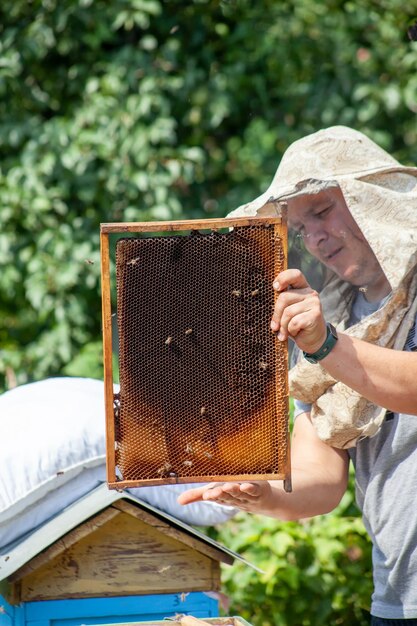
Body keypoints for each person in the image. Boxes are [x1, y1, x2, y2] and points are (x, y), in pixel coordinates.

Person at [178, 126, 417, 624]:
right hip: (398, 597)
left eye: (323, 211)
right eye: (300, 226)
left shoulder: (327, 334)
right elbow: (323, 478)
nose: (315, 237)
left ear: (370, 195)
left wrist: (327, 345)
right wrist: (262, 493)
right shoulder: (329, 314)